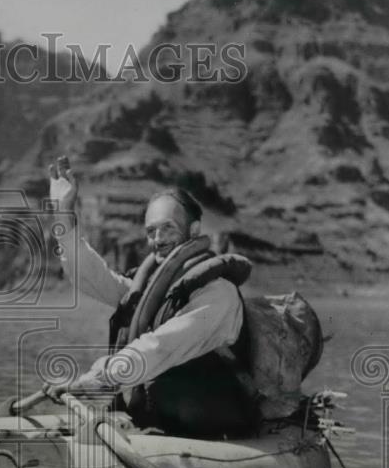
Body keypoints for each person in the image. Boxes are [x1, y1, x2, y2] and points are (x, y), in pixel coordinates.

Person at [43, 156, 259, 439]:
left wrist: (89, 382)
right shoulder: (148, 290)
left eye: (167, 228)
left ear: (194, 231)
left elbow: (160, 347)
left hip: (211, 426)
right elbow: (92, 279)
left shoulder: (218, 293)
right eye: (150, 231)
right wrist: (63, 215)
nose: (157, 239)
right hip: (163, 418)